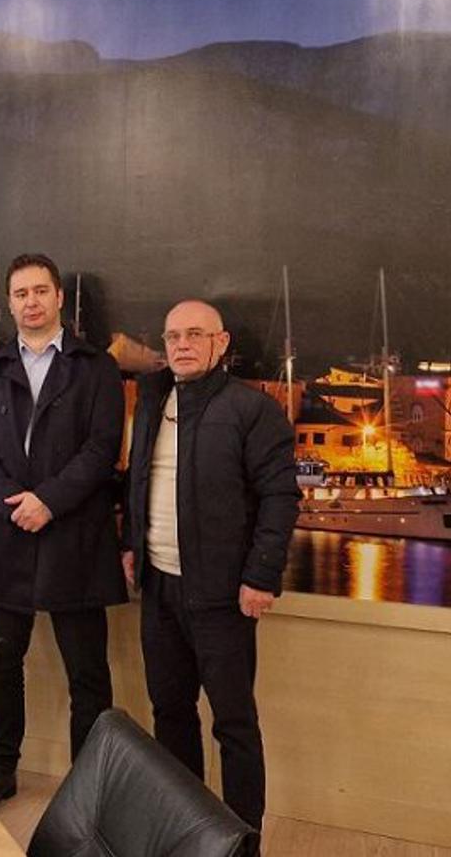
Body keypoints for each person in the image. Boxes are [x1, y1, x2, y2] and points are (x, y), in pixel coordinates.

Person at [122, 299, 300, 842]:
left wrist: (261, 576)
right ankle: (186, 830)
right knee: (170, 712)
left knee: (234, 724)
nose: (182, 344)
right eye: (173, 335)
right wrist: (131, 545)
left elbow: (279, 499)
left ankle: (243, 841)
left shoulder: (252, 410)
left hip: (222, 597)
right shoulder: (152, 402)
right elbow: (139, 481)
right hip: (158, 588)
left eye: (195, 334)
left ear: (221, 344)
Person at [0, 253, 126, 810]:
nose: (30, 302)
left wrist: (48, 501)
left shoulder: (96, 368)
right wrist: (14, 503)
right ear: (9, 304)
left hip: (73, 535)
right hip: (4, 532)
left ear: (58, 298)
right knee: (2, 666)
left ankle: (90, 787)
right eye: (20, 293)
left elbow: (102, 448)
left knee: (88, 672)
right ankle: (0, 769)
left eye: (39, 291)